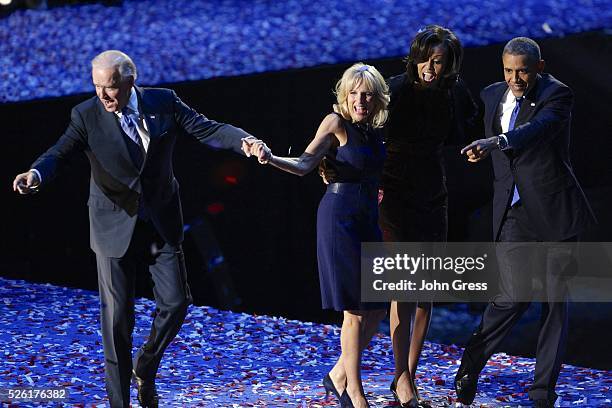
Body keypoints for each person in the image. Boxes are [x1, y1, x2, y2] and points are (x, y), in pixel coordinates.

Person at [12, 50, 263, 408]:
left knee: (176, 304)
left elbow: (209, 129)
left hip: (159, 222)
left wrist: (245, 142)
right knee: (117, 322)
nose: (103, 95)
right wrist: (36, 173)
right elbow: (60, 152)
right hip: (112, 225)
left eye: (110, 87)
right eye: (97, 86)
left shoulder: (164, 101)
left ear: (130, 82)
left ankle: (145, 366)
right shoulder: (86, 115)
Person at [320, 25, 478, 407]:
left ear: (451, 64)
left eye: (438, 61)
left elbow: (467, 130)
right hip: (392, 191)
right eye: (424, 59)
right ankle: (401, 379)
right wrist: (331, 162)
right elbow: (353, 123)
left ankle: (363, 373)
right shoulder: (394, 90)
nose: (429, 67)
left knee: (427, 290)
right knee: (401, 286)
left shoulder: (456, 94)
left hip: (431, 190)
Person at [455, 37, 596, 408]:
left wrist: (496, 141)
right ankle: (472, 362)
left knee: (554, 303)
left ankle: (542, 392)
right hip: (513, 215)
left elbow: (537, 131)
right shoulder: (490, 95)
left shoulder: (557, 95)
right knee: (511, 297)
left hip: (555, 214)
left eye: (523, 71)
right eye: (509, 70)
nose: (515, 78)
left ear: (539, 67)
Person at [254, 63, 389, 408]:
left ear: (376, 98)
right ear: (344, 96)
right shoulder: (336, 123)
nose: (360, 100)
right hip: (339, 217)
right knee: (355, 310)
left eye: (367, 94)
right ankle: (353, 393)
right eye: (354, 93)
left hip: (367, 218)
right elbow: (303, 164)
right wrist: (270, 158)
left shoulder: (374, 130)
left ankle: (338, 375)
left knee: (377, 306)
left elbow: (370, 169)